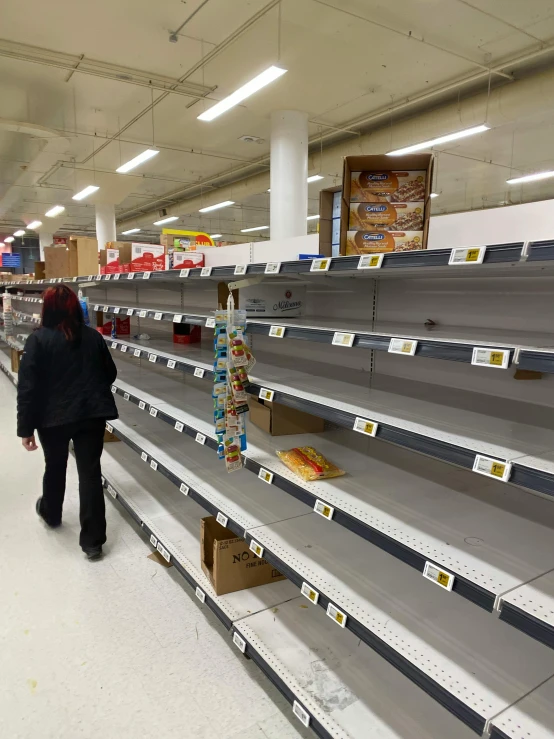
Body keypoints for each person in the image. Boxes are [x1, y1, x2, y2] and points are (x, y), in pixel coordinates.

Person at [17, 284, 118, 560]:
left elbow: (28, 388)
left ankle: (51, 514)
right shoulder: (93, 338)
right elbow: (110, 373)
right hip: (90, 415)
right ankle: (93, 541)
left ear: (46, 309)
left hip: (53, 418)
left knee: (55, 466)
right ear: (75, 307)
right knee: (90, 474)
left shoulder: (38, 341)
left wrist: (26, 429)